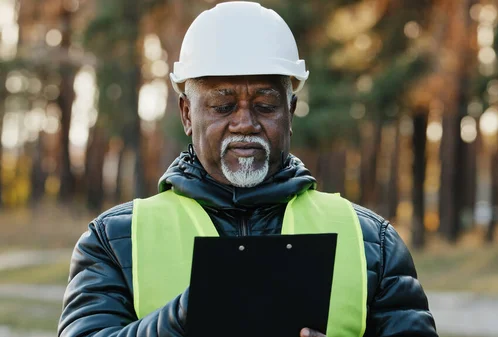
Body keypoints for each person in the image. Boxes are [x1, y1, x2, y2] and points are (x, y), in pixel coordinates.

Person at [58, 2, 438, 337]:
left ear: (290, 112)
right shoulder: (114, 241)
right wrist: (179, 322)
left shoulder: (372, 242)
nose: (245, 123)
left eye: (265, 105)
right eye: (223, 106)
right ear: (187, 114)